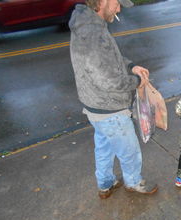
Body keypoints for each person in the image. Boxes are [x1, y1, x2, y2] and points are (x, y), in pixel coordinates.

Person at [69, 0, 158, 199]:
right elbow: (109, 81)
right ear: (103, 1)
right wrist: (136, 81)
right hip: (110, 109)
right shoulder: (93, 33)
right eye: (117, 3)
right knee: (130, 152)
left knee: (104, 147)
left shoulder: (88, 24)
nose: (119, 9)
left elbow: (110, 60)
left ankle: (105, 184)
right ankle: (134, 182)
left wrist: (131, 66)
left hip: (95, 107)